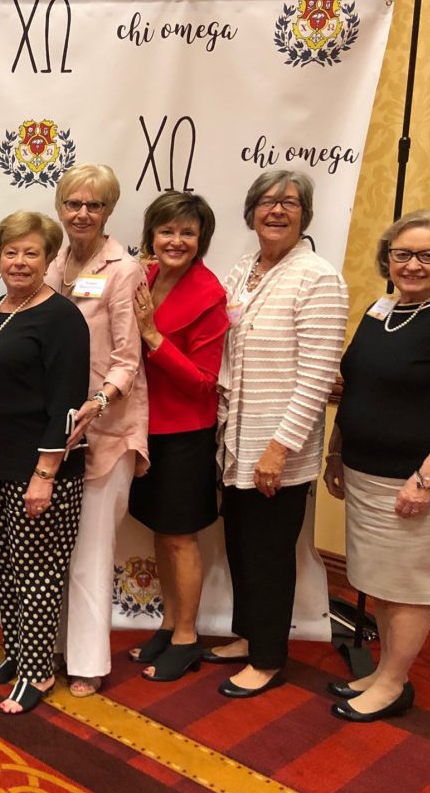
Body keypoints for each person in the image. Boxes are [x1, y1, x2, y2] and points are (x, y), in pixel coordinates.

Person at [325, 209, 430, 722]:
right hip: (369, 474)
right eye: (402, 254)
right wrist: (337, 450)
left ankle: (393, 684)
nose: (413, 265)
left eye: (427, 255)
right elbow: (357, 386)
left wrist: (425, 479)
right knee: (383, 582)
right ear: (387, 259)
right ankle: (386, 672)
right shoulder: (383, 309)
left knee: (410, 587)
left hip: (425, 483)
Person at [212, 170, 347, 698]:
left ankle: (267, 658)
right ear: (251, 212)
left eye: (290, 203)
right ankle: (248, 635)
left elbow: (317, 377)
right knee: (241, 545)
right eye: (267, 201)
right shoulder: (242, 270)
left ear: (304, 215)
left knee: (269, 553)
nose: (277, 210)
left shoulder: (318, 278)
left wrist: (278, 449)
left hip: (276, 448)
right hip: (236, 441)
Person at [0, 211, 89, 714]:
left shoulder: (62, 317)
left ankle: (38, 671)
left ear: (49, 258)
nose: (18, 261)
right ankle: (17, 653)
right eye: (10, 252)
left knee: (38, 575)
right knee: (10, 569)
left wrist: (45, 474)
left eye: (31, 253)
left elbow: (66, 403)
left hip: (39, 473)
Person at [44, 163, 148, 697]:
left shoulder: (124, 271)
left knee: (89, 552)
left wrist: (98, 402)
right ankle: (54, 648)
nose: (82, 213)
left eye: (95, 205)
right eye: (73, 203)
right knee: (56, 550)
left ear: (109, 211)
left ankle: (87, 662)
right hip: (58, 430)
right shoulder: (54, 262)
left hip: (108, 429)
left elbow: (128, 359)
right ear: (60, 207)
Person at [127, 192, 228, 682]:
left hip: (185, 434)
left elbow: (204, 381)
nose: (176, 240)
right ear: (151, 235)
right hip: (146, 427)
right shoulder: (145, 277)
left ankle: (187, 638)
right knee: (161, 533)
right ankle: (169, 625)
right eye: (167, 231)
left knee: (180, 538)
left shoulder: (209, 294)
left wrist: (152, 336)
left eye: (187, 233)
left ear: (201, 239)